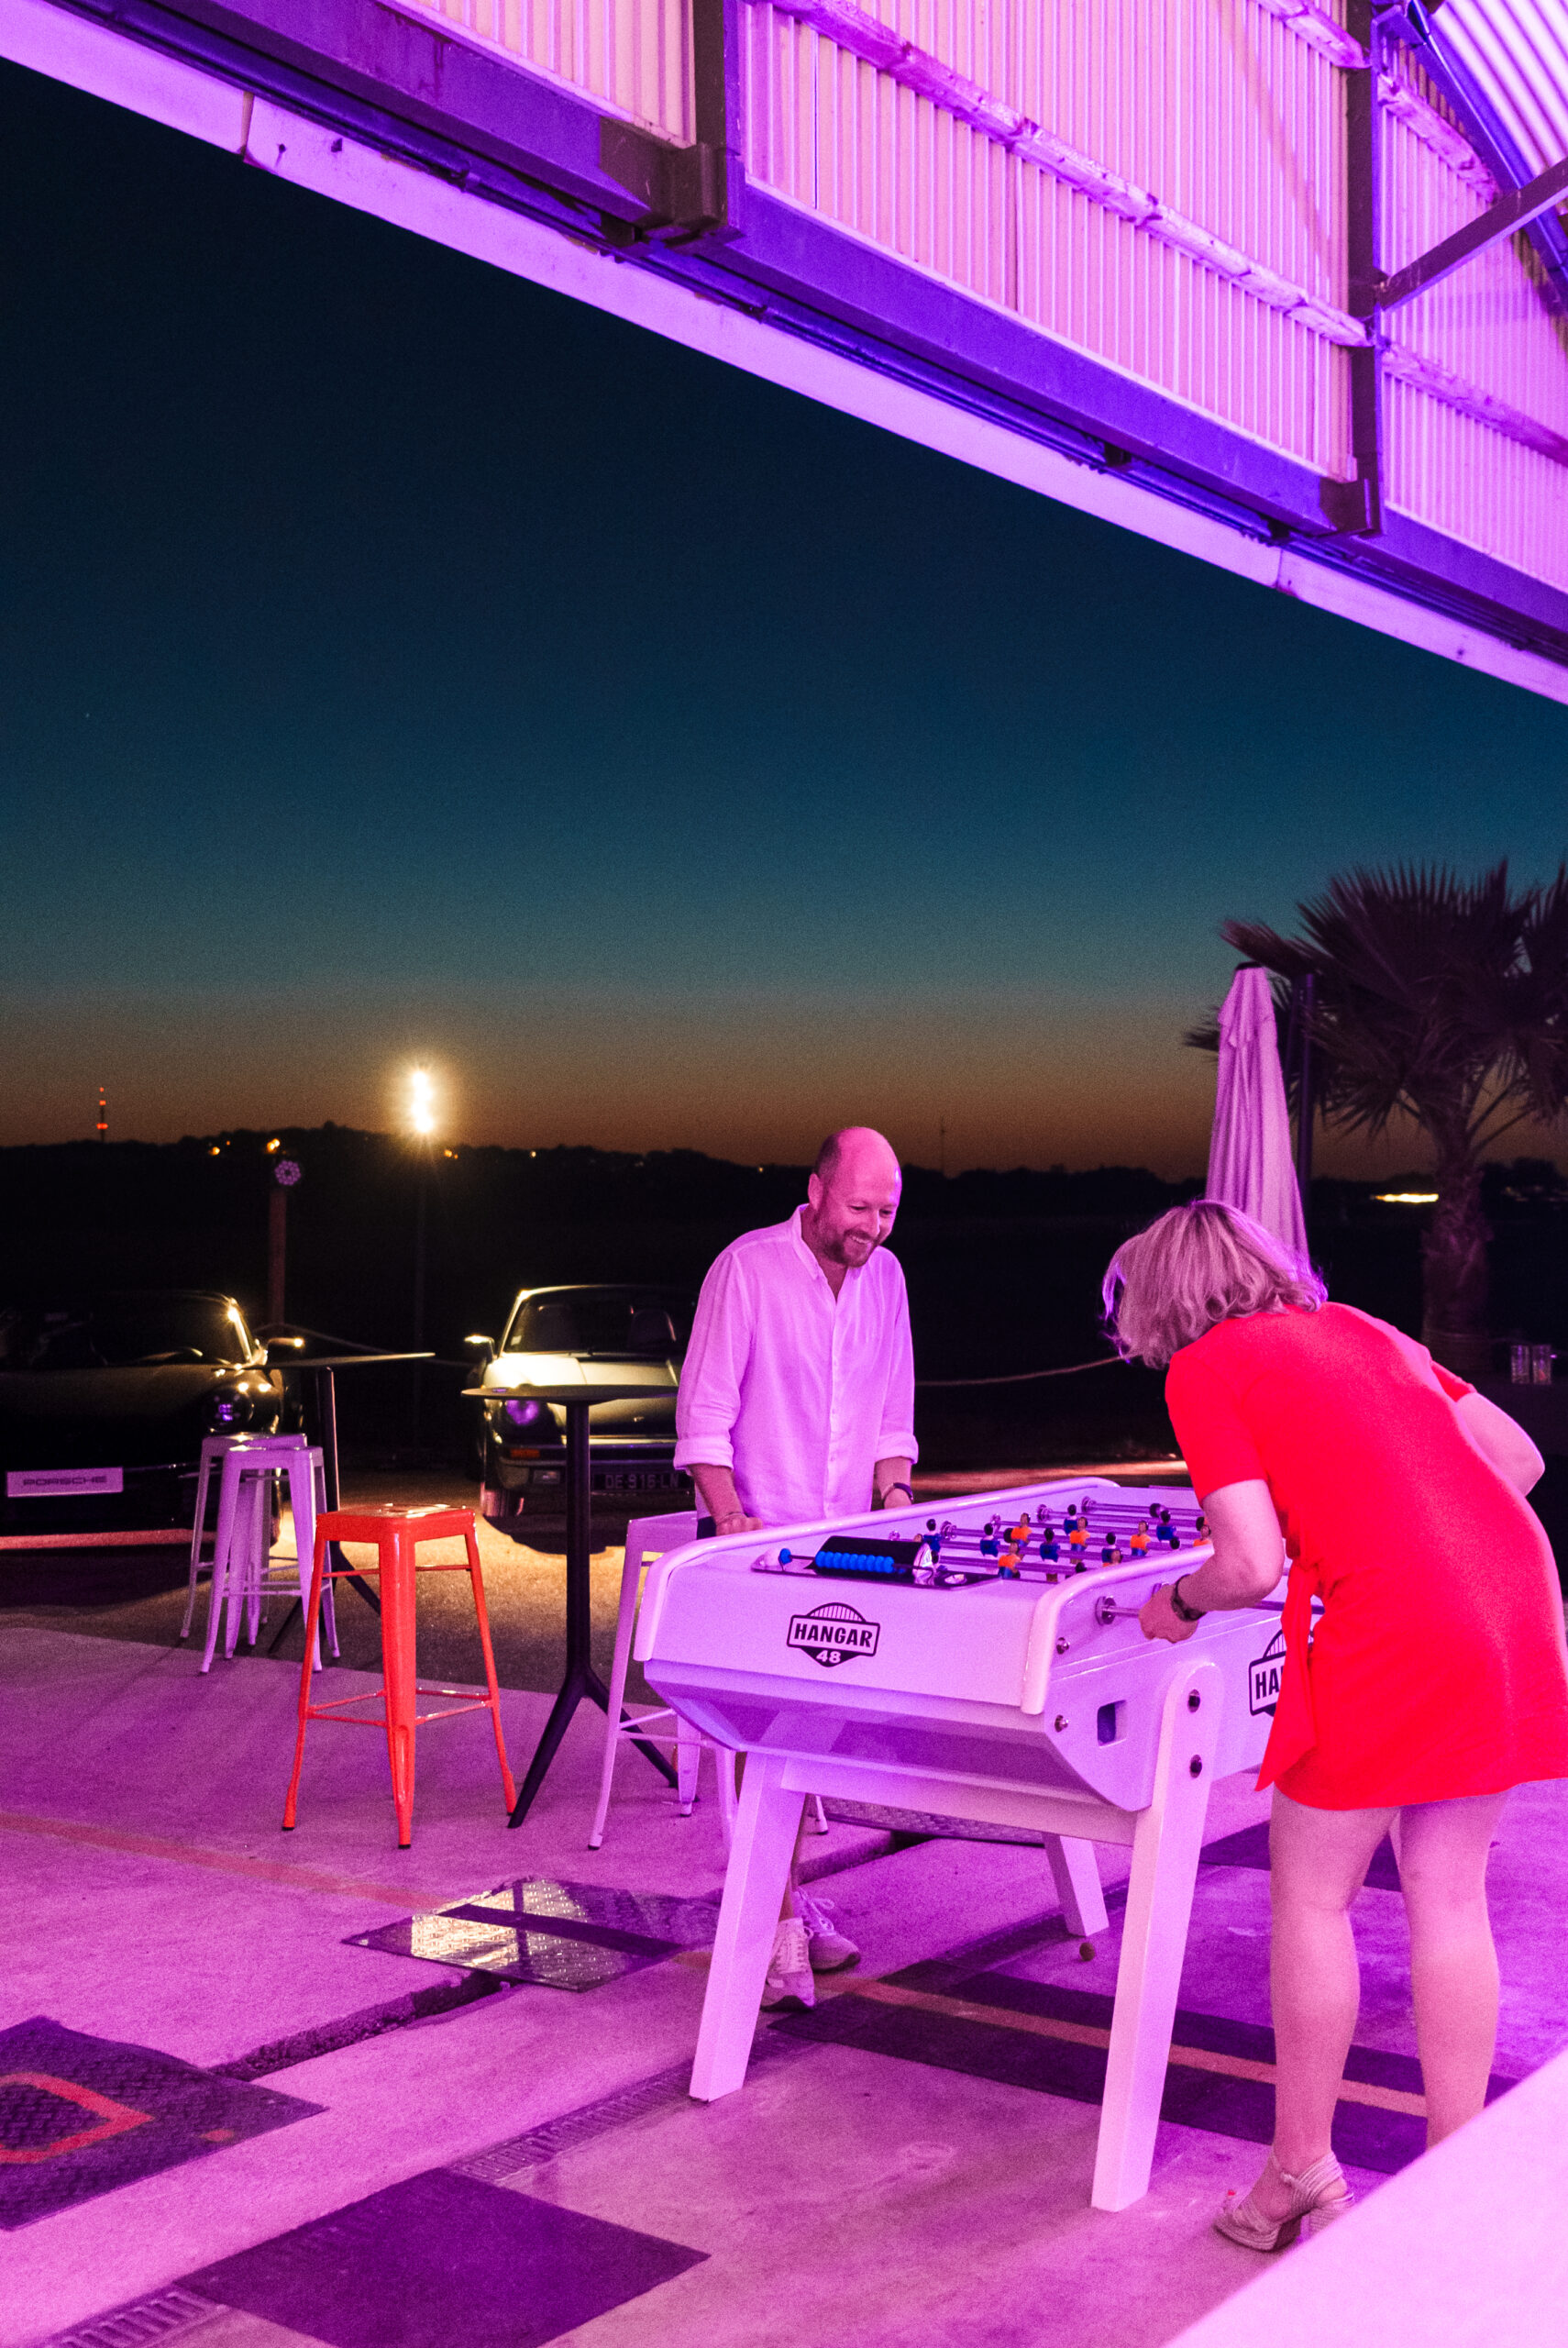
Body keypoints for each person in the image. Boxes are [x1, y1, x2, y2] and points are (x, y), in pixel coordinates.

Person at [1102, 1200, 1568, 2251]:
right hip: (1511, 1592)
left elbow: (1248, 1562)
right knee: (1450, 1892)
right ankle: (1454, 2173)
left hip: (1401, 1618)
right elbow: (1519, 1459)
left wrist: (1176, 1604)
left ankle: (1298, 2169)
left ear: (1162, 1298)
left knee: (1313, 1894)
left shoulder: (1205, 1367)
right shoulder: (1357, 1325)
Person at [674, 1125, 917, 2006]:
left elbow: (893, 1415)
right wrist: (729, 1514)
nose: (872, 1228)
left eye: (887, 1211)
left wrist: (897, 1500)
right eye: (858, 1207)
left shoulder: (887, 1278)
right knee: (763, 1735)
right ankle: (772, 1927)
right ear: (815, 1191)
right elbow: (704, 1415)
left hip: (845, 1546)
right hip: (757, 1545)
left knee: (813, 1734)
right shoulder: (746, 1268)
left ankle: (785, 1899)